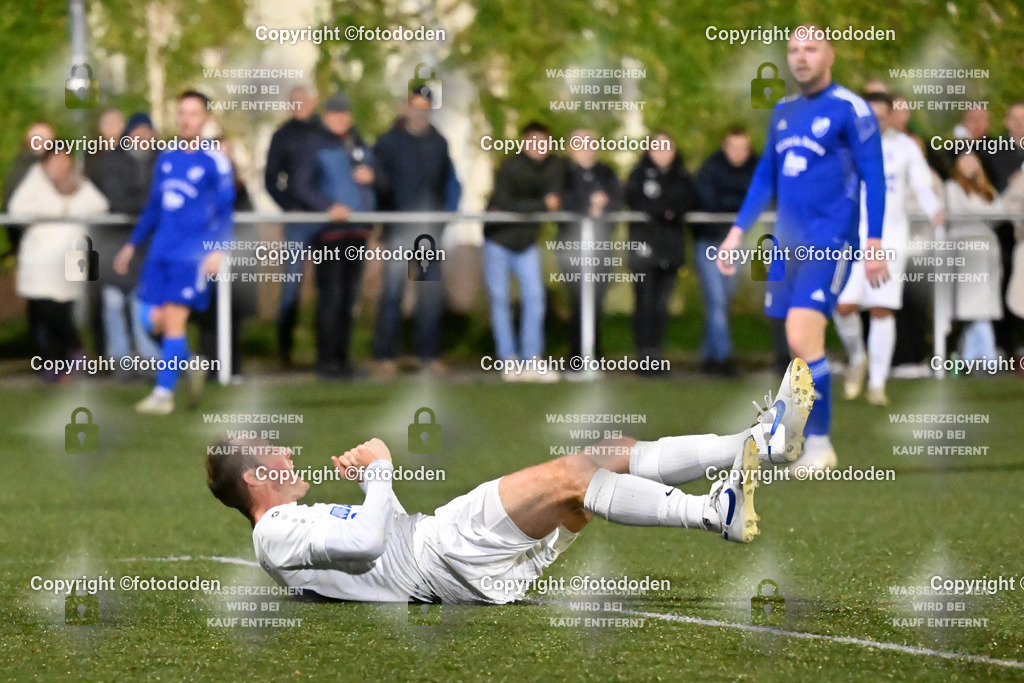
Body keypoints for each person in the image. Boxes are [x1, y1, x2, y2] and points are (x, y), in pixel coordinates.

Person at [207, 360, 813, 603]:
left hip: (449, 558)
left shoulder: (287, 528)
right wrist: (381, 470)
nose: (286, 451)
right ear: (256, 477)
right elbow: (369, 545)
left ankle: (759, 442)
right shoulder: (273, 534)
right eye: (272, 450)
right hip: (443, 552)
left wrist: (374, 486)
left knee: (610, 453)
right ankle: (714, 512)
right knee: (577, 474)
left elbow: (369, 550)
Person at [717, 30, 886, 471]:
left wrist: (874, 241)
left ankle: (821, 445)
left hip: (830, 242)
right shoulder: (783, 111)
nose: (800, 57)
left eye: (811, 49)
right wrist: (737, 233)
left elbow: (875, 176)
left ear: (830, 54)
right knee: (796, 348)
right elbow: (764, 178)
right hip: (786, 245)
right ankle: (798, 435)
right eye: (793, 49)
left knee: (801, 335)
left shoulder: (851, 108)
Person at [113, 90, 234, 414]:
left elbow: (225, 211)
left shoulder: (215, 161)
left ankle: (163, 395)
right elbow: (154, 207)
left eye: (194, 113)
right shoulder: (166, 157)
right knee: (149, 318)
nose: (186, 119)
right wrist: (132, 244)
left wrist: (219, 248)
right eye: (182, 112)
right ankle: (190, 362)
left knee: (175, 319)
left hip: (191, 256)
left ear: (205, 119)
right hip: (160, 252)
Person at [833, 92, 943, 406]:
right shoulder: (844, 144)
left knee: (882, 309)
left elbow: (921, 183)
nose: (877, 122)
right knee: (842, 305)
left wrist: (934, 210)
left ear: (891, 116)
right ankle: (858, 357)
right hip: (850, 238)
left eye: (882, 117)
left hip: (889, 241)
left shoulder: (905, 146)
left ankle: (877, 384)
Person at [372, 89, 460, 378]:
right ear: (405, 108)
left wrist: (446, 216)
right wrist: (379, 223)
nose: (420, 113)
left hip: (428, 233)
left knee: (429, 296)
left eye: (426, 108)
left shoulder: (439, 143)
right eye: (416, 107)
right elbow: (377, 185)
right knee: (392, 293)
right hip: (398, 229)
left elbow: (451, 183)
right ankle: (385, 356)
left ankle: (429, 356)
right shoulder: (387, 143)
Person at [290, 93, 376, 379]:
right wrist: (328, 207)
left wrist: (372, 177)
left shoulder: (358, 143)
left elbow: (379, 182)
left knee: (349, 299)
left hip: (358, 231)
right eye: (335, 113)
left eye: (345, 113)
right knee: (331, 297)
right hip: (329, 233)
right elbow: (301, 185)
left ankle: (343, 360)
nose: (340, 119)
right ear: (326, 115)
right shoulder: (312, 144)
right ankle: (326, 362)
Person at [10, 148, 108, 381]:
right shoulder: (34, 181)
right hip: (40, 259)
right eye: (54, 161)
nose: (59, 166)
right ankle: (59, 360)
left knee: (64, 310)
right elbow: (17, 209)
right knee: (44, 309)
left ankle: (73, 354)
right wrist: (56, 210)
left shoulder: (80, 183)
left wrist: (70, 209)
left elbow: (100, 205)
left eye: (63, 160)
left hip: (73, 253)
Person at [485, 122, 564, 380]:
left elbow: (555, 200)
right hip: (498, 240)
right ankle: (508, 359)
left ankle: (531, 358)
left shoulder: (554, 166)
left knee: (535, 298)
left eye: (543, 142)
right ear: (524, 142)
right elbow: (503, 202)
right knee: (500, 300)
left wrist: (529, 207)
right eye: (533, 141)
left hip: (527, 243)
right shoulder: (510, 167)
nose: (539, 147)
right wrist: (541, 205)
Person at [88, 113, 162, 378]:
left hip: (149, 245)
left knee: (144, 302)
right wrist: (148, 206)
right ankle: (120, 359)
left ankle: (148, 357)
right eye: (137, 132)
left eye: (146, 132)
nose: (142, 138)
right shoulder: (110, 162)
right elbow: (116, 199)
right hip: (114, 244)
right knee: (114, 302)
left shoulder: (162, 160)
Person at [625, 132, 699, 373]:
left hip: (671, 252)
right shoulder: (638, 175)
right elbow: (636, 201)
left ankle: (656, 356)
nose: (663, 152)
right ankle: (644, 357)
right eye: (658, 147)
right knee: (645, 304)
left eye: (667, 147)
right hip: (643, 253)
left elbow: (688, 201)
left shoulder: (682, 176)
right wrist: (664, 210)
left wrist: (668, 210)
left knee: (661, 306)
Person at [693, 126, 758, 376]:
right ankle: (723, 358)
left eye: (743, 147)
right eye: (733, 146)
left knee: (722, 302)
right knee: (717, 301)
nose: (738, 152)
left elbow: (758, 201)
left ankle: (708, 356)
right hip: (710, 243)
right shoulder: (710, 169)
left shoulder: (756, 169)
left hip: (736, 246)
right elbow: (708, 202)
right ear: (724, 147)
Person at [264, 86, 321, 365]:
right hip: (297, 221)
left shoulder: (326, 131)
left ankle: (326, 350)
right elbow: (270, 180)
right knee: (291, 285)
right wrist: (289, 206)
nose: (298, 105)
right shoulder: (282, 136)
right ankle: (284, 351)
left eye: (303, 100)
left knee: (327, 286)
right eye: (294, 101)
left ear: (314, 101)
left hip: (328, 221)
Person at [557, 129, 622, 361]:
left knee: (596, 302)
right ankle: (577, 356)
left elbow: (617, 200)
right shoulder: (562, 172)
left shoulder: (606, 172)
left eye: (589, 143)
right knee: (578, 301)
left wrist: (603, 207)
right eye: (579, 144)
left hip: (601, 247)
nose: (585, 148)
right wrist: (588, 205)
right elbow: (560, 202)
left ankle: (594, 354)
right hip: (571, 247)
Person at [944, 153, 1007, 362]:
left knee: (982, 305)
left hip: (988, 252)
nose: (969, 166)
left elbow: (1001, 212)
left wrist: (982, 212)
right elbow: (960, 211)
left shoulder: (987, 190)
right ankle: (985, 356)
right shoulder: (952, 188)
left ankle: (971, 356)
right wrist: (985, 213)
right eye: (964, 161)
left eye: (973, 161)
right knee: (972, 305)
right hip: (966, 251)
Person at [984, 103, 1024, 359]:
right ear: (1007, 122)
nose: (1020, 124)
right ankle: (1003, 345)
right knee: (1002, 283)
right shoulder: (995, 151)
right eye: (1016, 119)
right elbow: (987, 189)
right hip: (1002, 232)